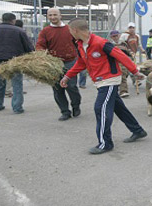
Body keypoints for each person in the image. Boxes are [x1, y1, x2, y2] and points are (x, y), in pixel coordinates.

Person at [60, 18, 147, 154]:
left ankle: (105, 144)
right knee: (118, 107)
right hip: (100, 81)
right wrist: (67, 76)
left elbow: (122, 56)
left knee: (100, 108)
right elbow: (82, 63)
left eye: (70, 31)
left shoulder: (101, 43)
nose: (69, 33)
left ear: (75, 30)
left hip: (109, 80)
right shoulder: (81, 44)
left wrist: (135, 71)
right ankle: (138, 130)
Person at [36, 8, 82, 121]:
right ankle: (65, 111)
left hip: (70, 61)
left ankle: (76, 105)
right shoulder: (45, 31)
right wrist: (41, 55)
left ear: (60, 15)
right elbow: (40, 45)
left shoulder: (69, 29)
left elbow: (79, 43)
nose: (53, 17)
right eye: (50, 15)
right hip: (53, 64)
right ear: (47, 16)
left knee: (71, 86)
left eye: (55, 15)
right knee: (57, 88)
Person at [0, 13, 34, 113]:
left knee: (0, 83)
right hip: (16, 61)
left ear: (2, 19)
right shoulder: (20, 31)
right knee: (17, 84)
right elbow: (29, 48)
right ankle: (17, 108)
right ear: (14, 20)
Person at [5, 19, 26, 98]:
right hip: (15, 57)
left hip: (6, 56)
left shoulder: (7, 32)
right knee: (14, 76)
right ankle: (9, 91)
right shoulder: (19, 32)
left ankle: (15, 90)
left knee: (10, 75)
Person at [119, 22, 144, 86]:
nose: (131, 29)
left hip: (133, 54)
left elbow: (139, 44)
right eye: (130, 28)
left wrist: (142, 50)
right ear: (128, 28)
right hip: (126, 54)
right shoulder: (124, 35)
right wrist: (128, 51)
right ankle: (132, 81)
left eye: (133, 28)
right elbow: (121, 45)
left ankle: (135, 81)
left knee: (132, 68)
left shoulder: (137, 36)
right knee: (130, 68)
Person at [110, 29, 133, 98]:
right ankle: (123, 91)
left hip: (124, 62)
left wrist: (131, 54)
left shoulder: (124, 43)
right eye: (114, 36)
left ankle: (121, 88)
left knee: (125, 75)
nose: (115, 37)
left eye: (116, 36)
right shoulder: (110, 44)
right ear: (111, 37)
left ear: (119, 35)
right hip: (115, 62)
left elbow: (128, 51)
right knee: (121, 75)